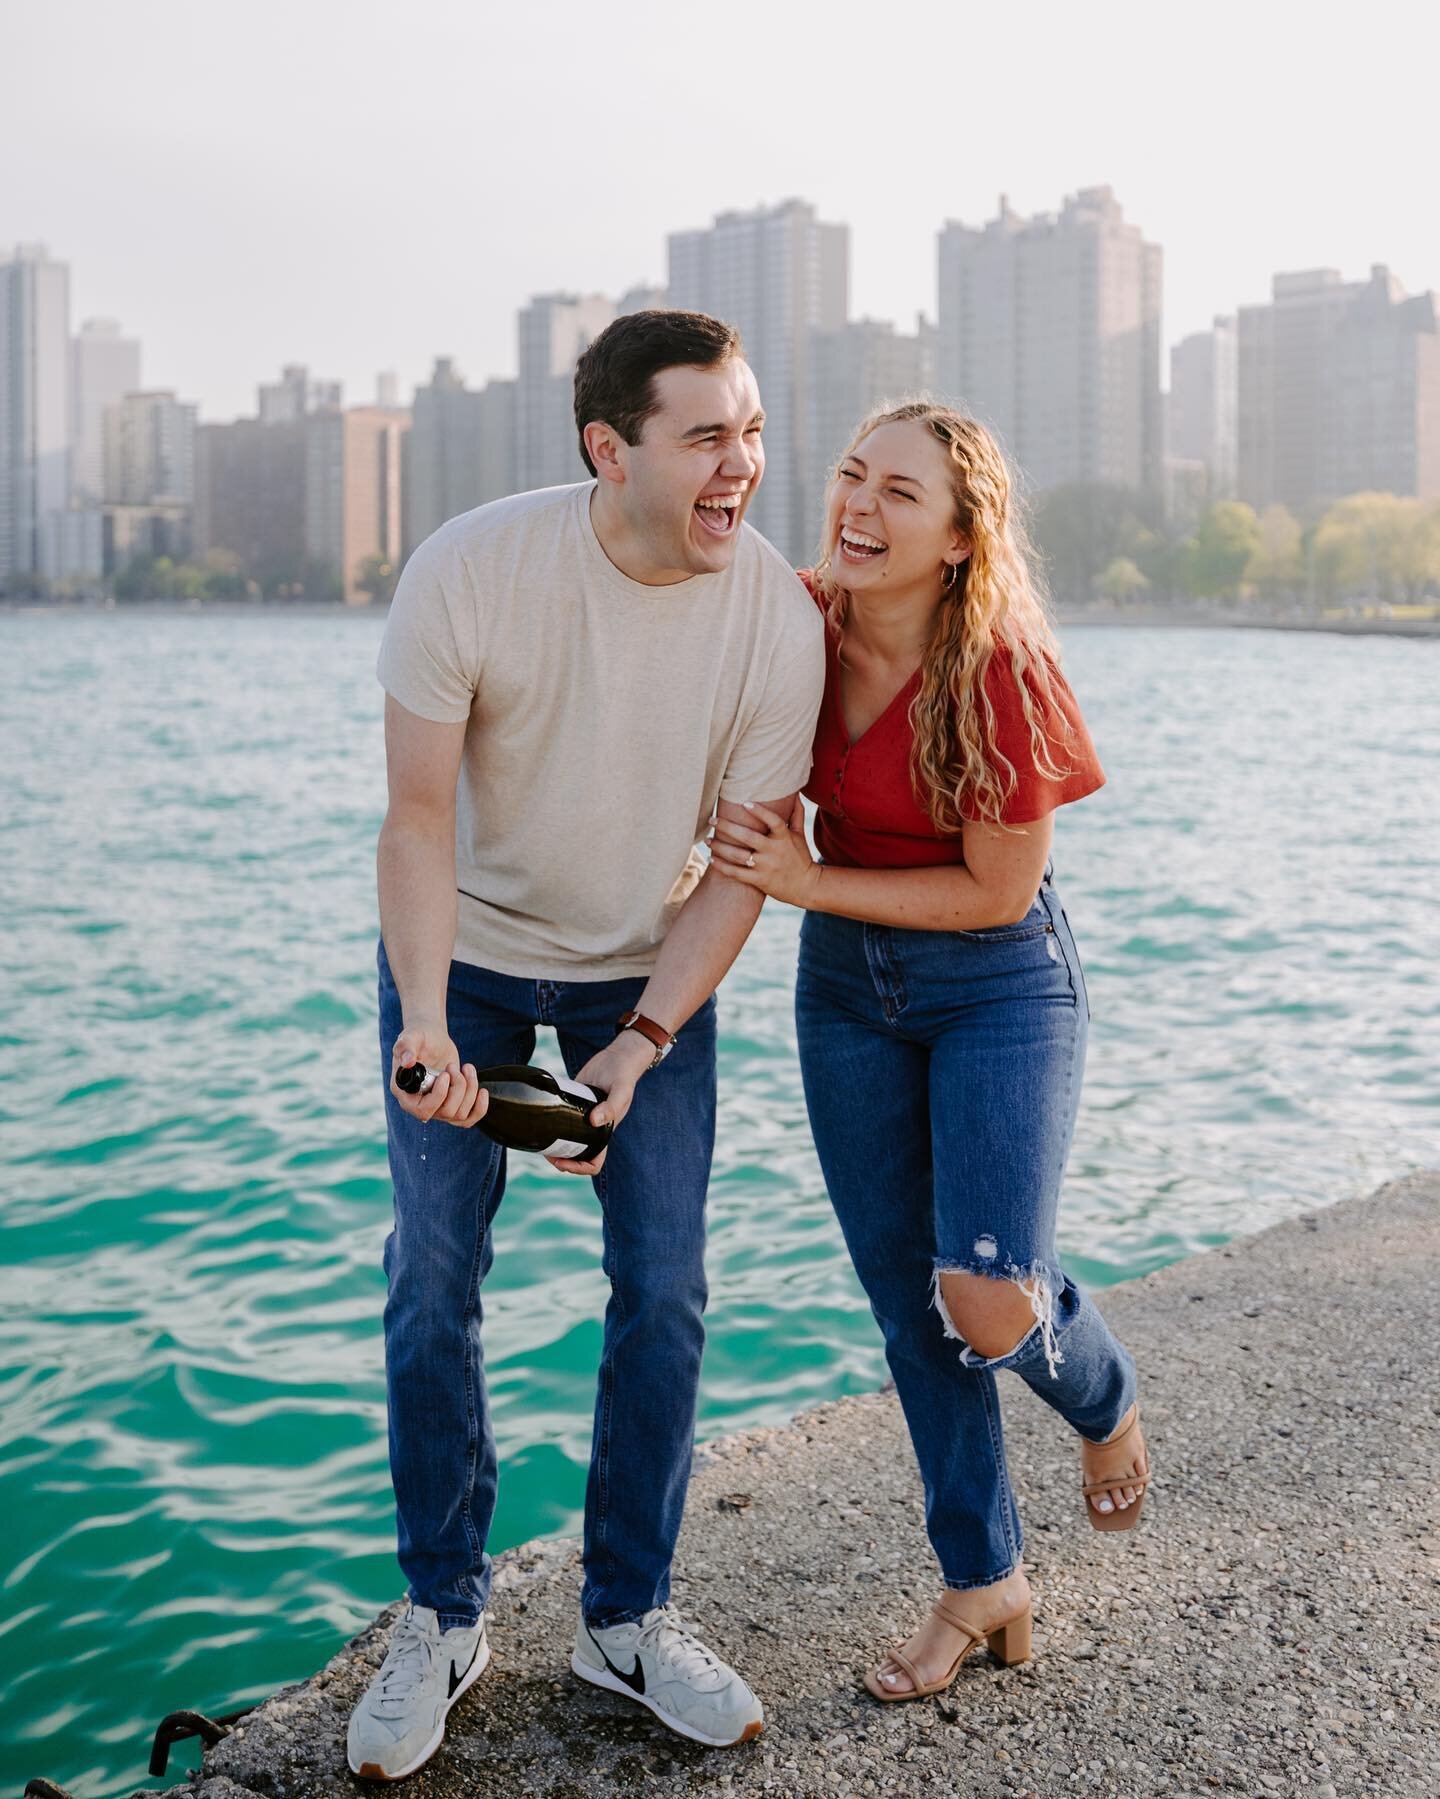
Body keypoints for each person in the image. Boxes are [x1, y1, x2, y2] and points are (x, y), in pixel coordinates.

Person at [346, 310, 824, 1780]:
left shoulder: (773, 621)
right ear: (610, 451)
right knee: (434, 1285)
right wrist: (425, 1022)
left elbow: (747, 862)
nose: (741, 466)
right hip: (468, 955)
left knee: (665, 1288)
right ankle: (441, 1616)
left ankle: (626, 1618)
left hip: (644, 958)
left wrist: (643, 1039)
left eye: (749, 431)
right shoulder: (473, 569)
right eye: (706, 436)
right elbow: (418, 819)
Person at [709, 401, 1149, 1703]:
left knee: (989, 1294)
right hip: (845, 994)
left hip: (997, 987)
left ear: (962, 536)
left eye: (902, 493)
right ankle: (985, 1579)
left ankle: (1107, 1398)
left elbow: (998, 896)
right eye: (851, 475)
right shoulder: (797, 619)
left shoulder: (1003, 669)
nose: (860, 504)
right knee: (915, 1315)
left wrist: (803, 880)